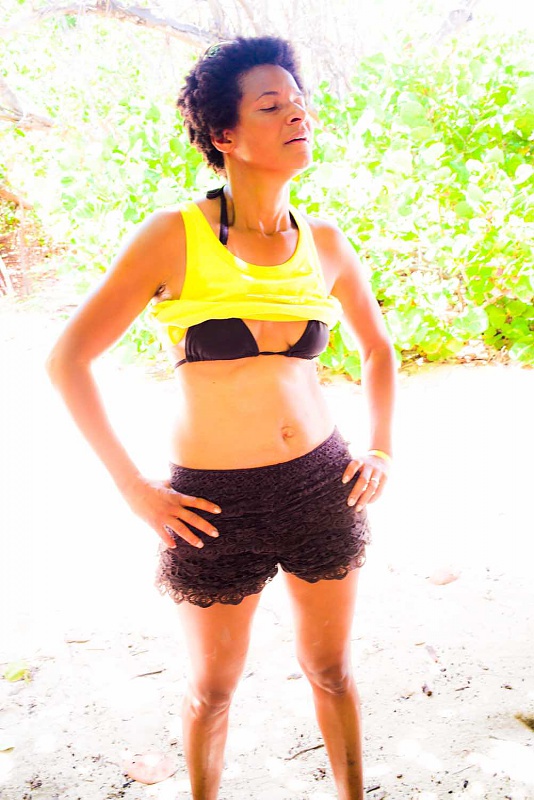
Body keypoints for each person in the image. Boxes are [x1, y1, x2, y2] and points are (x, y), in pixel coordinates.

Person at [47, 36, 396, 800]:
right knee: (212, 690)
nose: (297, 114)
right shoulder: (173, 236)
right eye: (272, 105)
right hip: (212, 503)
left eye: (298, 101)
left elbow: (379, 350)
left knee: (331, 670)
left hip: (320, 484)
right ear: (225, 134)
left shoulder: (326, 243)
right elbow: (67, 360)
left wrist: (381, 449)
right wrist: (134, 489)